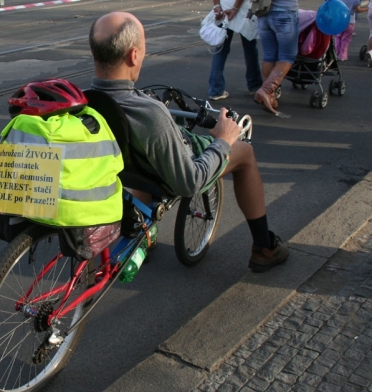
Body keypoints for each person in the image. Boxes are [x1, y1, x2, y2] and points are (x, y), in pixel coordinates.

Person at [88, 11, 289, 272]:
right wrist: (224, 141)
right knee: (245, 154)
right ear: (134, 55)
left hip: (130, 169)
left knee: (138, 157)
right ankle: (264, 247)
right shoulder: (149, 113)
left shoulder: (85, 100)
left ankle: (140, 232)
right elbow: (189, 183)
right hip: (174, 170)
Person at [208, 0, 262, 100]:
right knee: (250, 49)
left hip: (224, 8)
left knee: (221, 50)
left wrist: (217, 6)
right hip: (244, 11)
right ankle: (254, 85)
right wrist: (235, 9)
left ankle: (215, 89)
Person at [254, 0, 299, 116]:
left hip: (263, 12)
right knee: (287, 57)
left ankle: (269, 97)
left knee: (269, 56)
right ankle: (266, 90)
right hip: (284, 13)